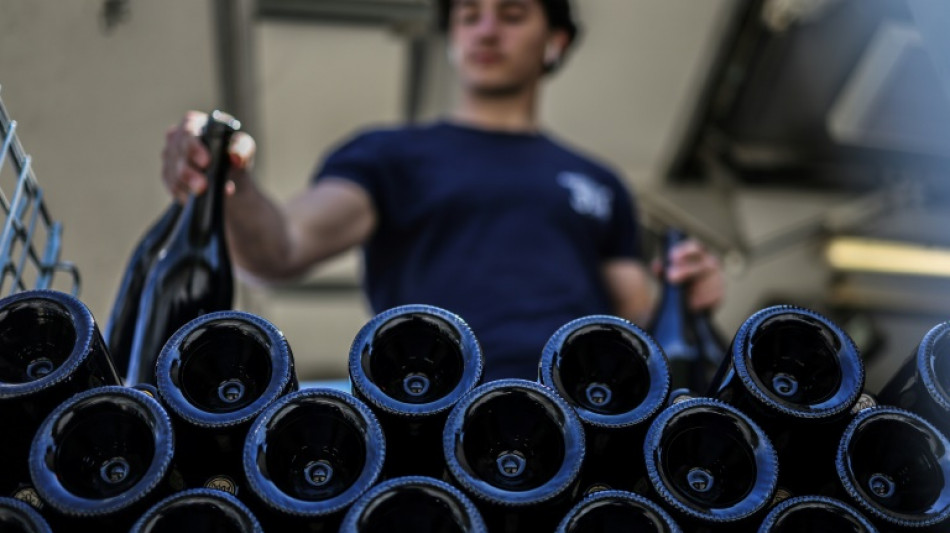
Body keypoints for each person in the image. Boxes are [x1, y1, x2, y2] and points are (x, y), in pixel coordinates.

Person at [161, 0, 725, 381]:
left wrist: (687, 297)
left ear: (554, 42)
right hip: (430, 402)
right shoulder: (389, 155)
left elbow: (638, 314)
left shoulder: (599, 182)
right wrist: (227, 182)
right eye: (468, 15)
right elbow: (280, 249)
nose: (486, 29)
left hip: (582, 406)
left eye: (511, 14)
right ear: (452, 36)